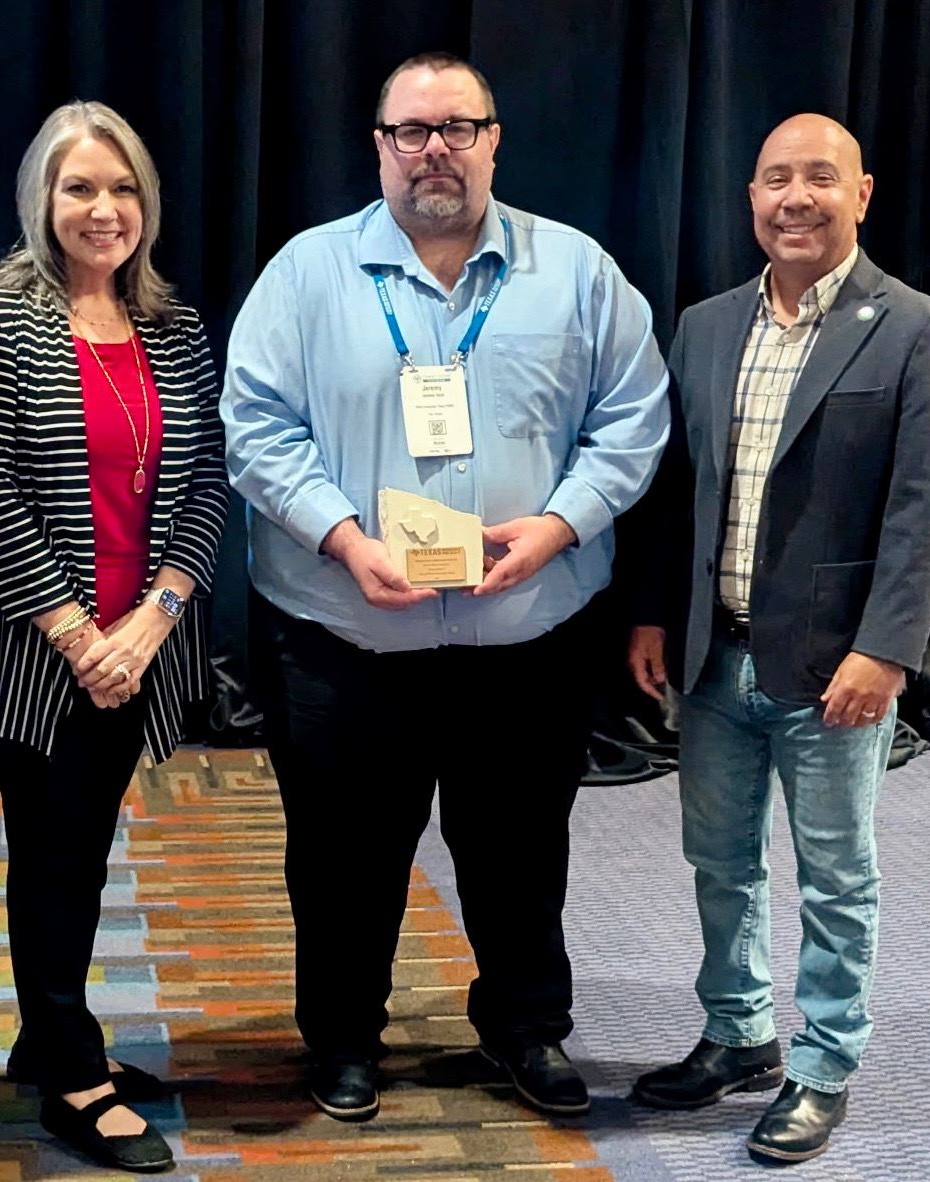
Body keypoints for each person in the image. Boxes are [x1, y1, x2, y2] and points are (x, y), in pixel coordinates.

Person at [220, 51, 669, 1122]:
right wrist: (340, 538)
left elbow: (632, 416)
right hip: (344, 631)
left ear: (492, 140)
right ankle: (341, 1040)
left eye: (456, 127)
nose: (434, 148)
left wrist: (558, 524)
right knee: (340, 860)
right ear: (375, 145)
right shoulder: (304, 274)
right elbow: (255, 427)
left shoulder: (576, 271)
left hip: (528, 630)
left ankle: (524, 1028)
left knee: (520, 855)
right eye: (410, 130)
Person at [626, 114, 930, 1164]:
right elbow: (674, 491)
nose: (792, 197)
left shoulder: (911, 327)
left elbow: (922, 509)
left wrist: (886, 647)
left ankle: (824, 1065)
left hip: (834, 666)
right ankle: (737, 1032)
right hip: (712, 655)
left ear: (860, 194)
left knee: (834, 875)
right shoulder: (705, 325)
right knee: (718, 861)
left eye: (818, 178)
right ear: (748, 197)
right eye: (772, 179)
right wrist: (648, 614)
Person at [0, 100, 229, 1173]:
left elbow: (207, 478)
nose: (102, 209)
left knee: (82, 851)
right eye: (80, 189)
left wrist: (154, 617)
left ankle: (46, 1035)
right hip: (40, 656)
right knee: (54, 862)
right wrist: (79, 636)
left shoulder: (174, 323)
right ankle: (73, 1076)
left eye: (121, 189)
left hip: (140, 646)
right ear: (43, 200)